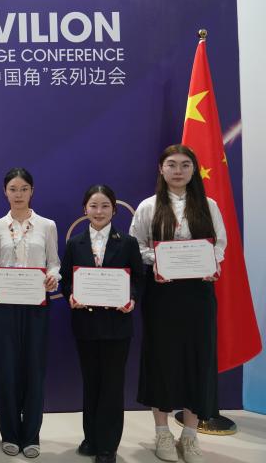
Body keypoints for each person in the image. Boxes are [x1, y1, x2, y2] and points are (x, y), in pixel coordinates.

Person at [129, 144, 226, 463]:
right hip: (162, 295)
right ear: (161, 169)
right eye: (172, 164)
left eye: (186, 165)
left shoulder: (208, 205)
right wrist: (159, 261)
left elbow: (220, 245)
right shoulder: (148, 206)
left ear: (194, 170)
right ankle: (163, 434)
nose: (178, 170)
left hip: (198, 295)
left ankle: (190, 435)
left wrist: (212, 264)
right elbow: (137, 245)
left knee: (197, 360)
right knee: (163, 360)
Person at [59, 185, 144, 463]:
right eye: (93, 206)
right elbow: (67, 278)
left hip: (117, 326)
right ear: (85, 210)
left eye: (105, 206)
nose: (99, 211)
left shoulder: (128, 242)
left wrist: (130, 299)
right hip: (85, 324)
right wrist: (72, 295)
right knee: (91, 382)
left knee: (112, 385)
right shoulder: (75, 244)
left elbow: (138, 281)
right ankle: (91, 437)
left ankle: (108, 446)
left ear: (114, 210)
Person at [0, 167, 60, 458]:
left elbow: (54, 262)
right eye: (13, 189)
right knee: (7, 370)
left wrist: (54, 277)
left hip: (36, 306)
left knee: (34, 369)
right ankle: (10, 434)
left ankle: (31, 435)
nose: (18, 195)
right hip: (4, 306)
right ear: (5, 192)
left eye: (24, 189)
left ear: (32, 191)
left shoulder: (47, 225)